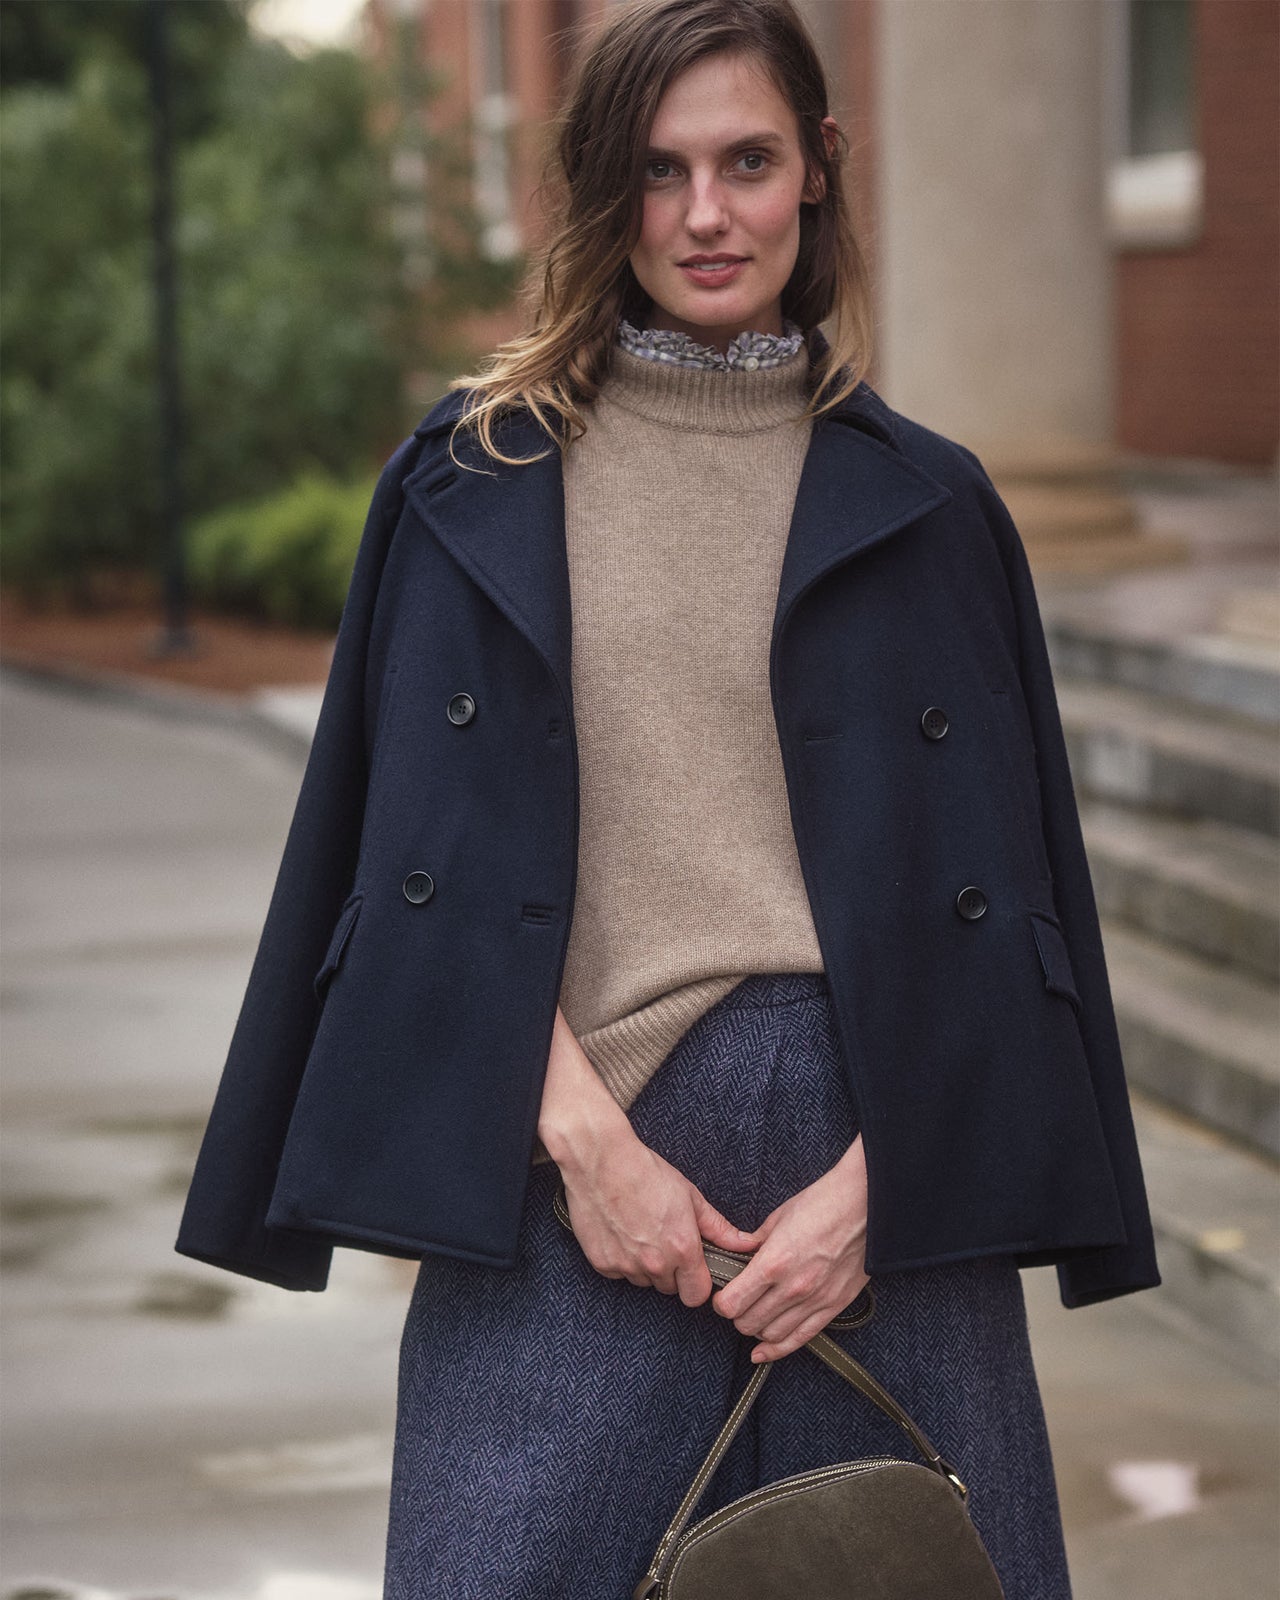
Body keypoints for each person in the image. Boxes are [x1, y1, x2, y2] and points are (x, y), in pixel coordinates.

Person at [175, 1, 1159, 1594]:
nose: (707, 214)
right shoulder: (467, 482)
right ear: (597, 194)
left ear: (819, 172)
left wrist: (883, 1180)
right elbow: (398, 863)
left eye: (749, 161)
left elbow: (1014, 898)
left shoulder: (938, 506)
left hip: (880, 1185)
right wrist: (581, 1141)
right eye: (659, 170)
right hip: (570, 1179)